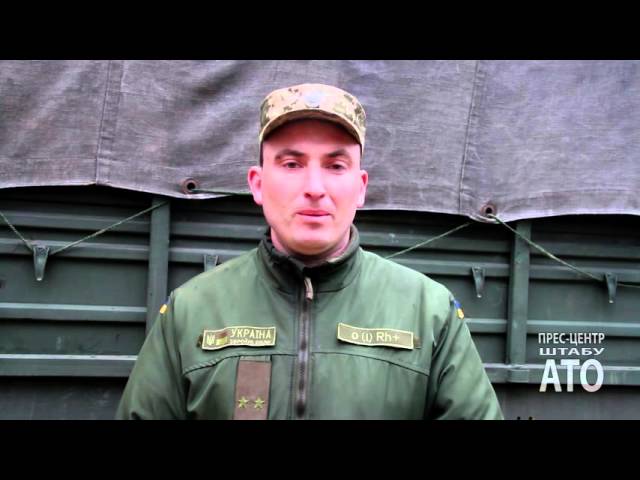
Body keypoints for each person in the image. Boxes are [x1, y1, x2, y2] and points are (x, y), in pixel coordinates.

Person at [116, 83, 503, 420]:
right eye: (291, 163)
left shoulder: (429, 312)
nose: (315, 187)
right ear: (258, 183)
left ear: (361, 187)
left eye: (335, 165)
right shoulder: (191, 311)